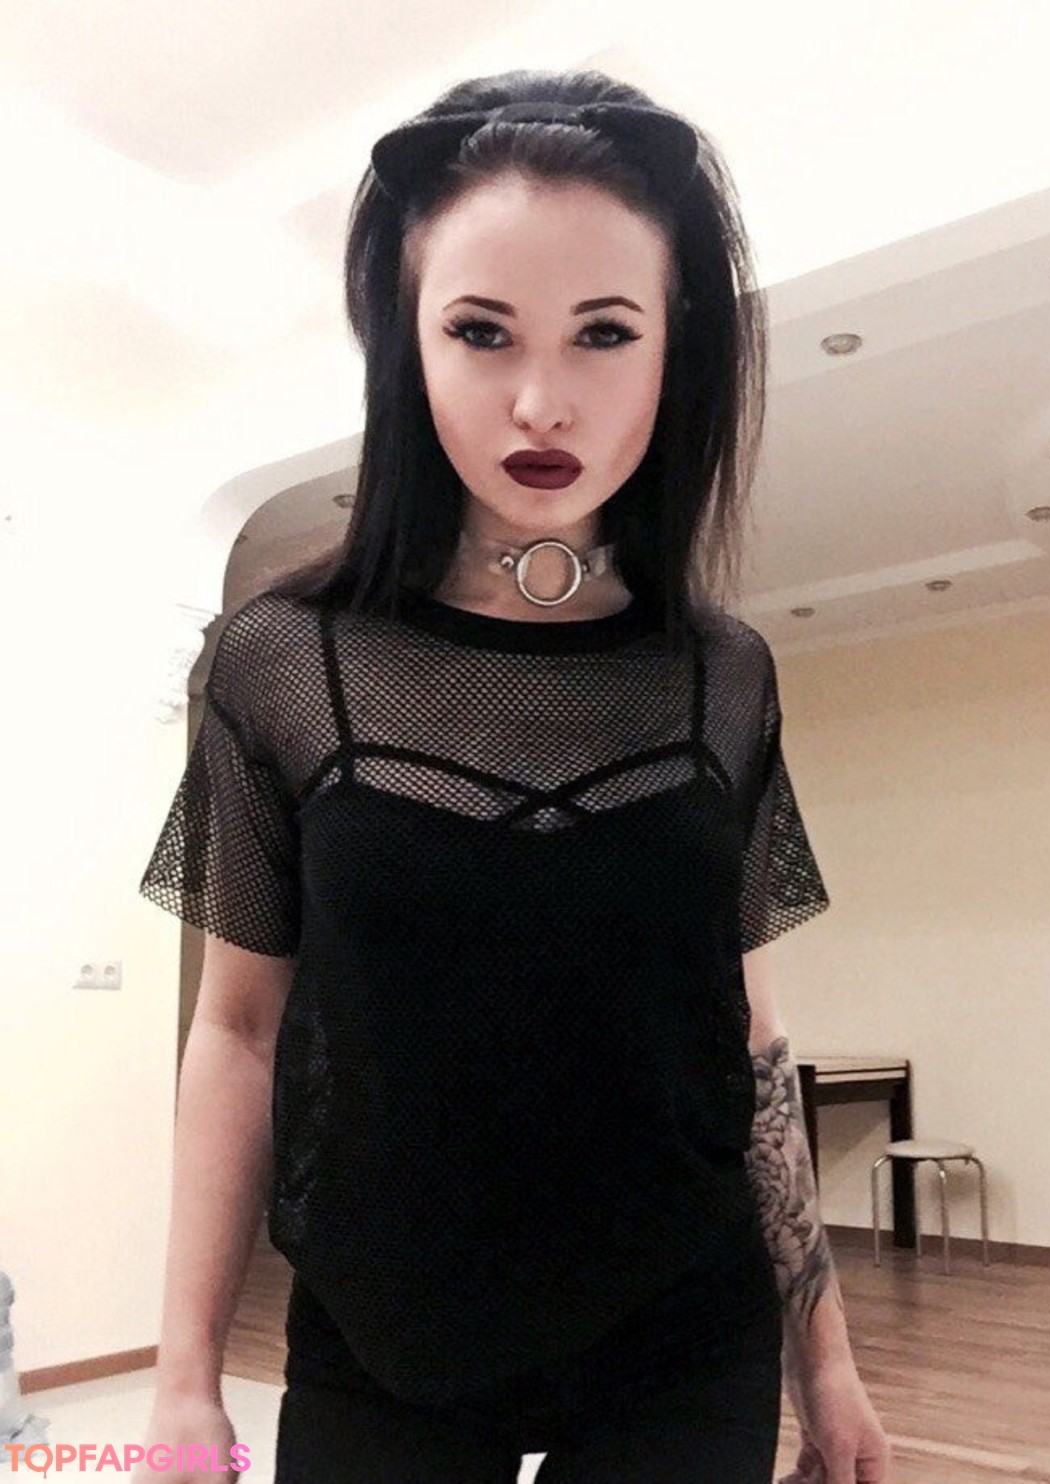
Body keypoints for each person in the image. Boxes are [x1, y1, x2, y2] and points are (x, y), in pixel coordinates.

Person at [134, 67, 893, 1484]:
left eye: (605, 332)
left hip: (685, 1341)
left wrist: (828, 1362)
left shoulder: (723, 673)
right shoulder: (281, 661)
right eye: (481, 331)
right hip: (385, 1339)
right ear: (407, 346)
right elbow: (236, 1030)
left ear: (675, 347)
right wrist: (184, 1378)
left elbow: (749, 1039)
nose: (544, 401)